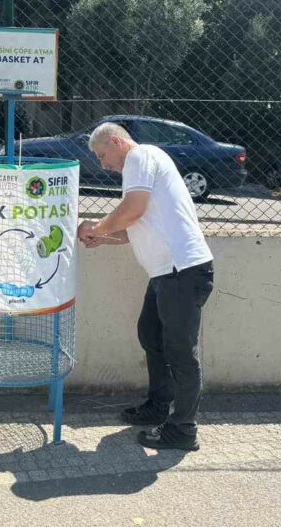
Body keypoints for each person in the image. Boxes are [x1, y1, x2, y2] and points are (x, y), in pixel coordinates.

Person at [77, 122, 214, 451]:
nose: (103, 164)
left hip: (182, 271)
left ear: (115, 141)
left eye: (102, 155)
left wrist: (96, 227)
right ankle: (158, 406)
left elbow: (132, 210)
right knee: (151, 335)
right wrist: (104, 237)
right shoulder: (144, 163)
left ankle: (183, 430)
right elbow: (136, 227)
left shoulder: (139, 157)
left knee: (180, 352)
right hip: (169, 273)